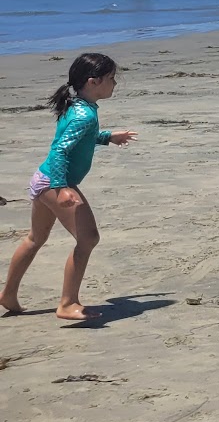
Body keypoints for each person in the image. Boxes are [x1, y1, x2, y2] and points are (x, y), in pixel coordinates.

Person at [2, 53, 136, 321]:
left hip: (43, 178)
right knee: (88, 238)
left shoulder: (77, 106)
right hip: (54, 181)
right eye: (111, 79)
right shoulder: (83, 115)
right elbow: (62, 150)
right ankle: (67, 303)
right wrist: (63, 187)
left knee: (35, 238)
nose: (114, 84)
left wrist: (108, 137)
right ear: (93, 82)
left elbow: (79, 140)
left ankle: (7, 294)